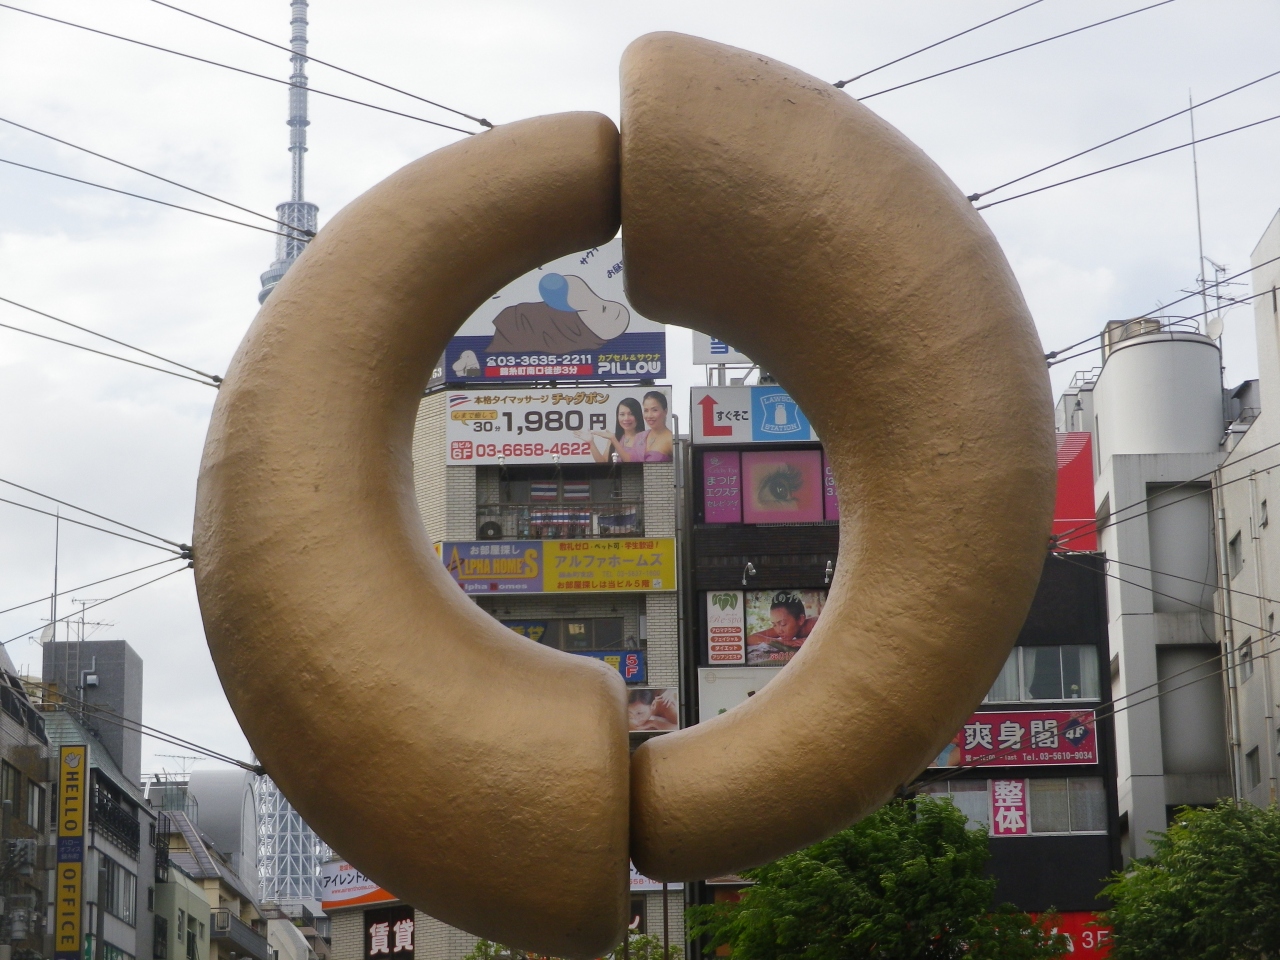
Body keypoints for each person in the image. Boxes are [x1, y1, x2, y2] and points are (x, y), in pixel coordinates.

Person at [746, 592, 818, 665]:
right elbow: (750, 638)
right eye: (774, 625)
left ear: (800, 619)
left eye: (783, 624)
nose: (779, 631)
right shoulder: (782, 629)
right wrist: (785, 642)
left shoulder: (815, 625)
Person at [576, 397, 647, 463]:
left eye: (631, 414)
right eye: (622, 414)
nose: (626, 418)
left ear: (638, 415)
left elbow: (632, 462)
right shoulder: (613, 438)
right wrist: (591, 442)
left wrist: (613, 440)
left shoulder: (646, 438)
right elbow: (603, 463)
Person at [640, 391, 674, 462]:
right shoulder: (639, 437)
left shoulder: (670, 439)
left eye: (654, 410)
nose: (649, 416)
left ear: (665, 411)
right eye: (646, 411)